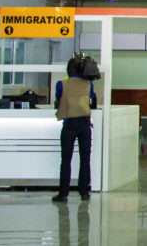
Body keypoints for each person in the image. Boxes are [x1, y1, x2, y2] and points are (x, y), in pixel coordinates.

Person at [52, 57, 93, 203]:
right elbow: (92, 98)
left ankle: (63, 193)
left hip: (69, 124)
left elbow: (58, 98)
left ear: (68, 70)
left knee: (66, 160)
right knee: (85, 159)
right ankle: (84, 192)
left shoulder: (61, 84)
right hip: (85, 124)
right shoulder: (89, 83)